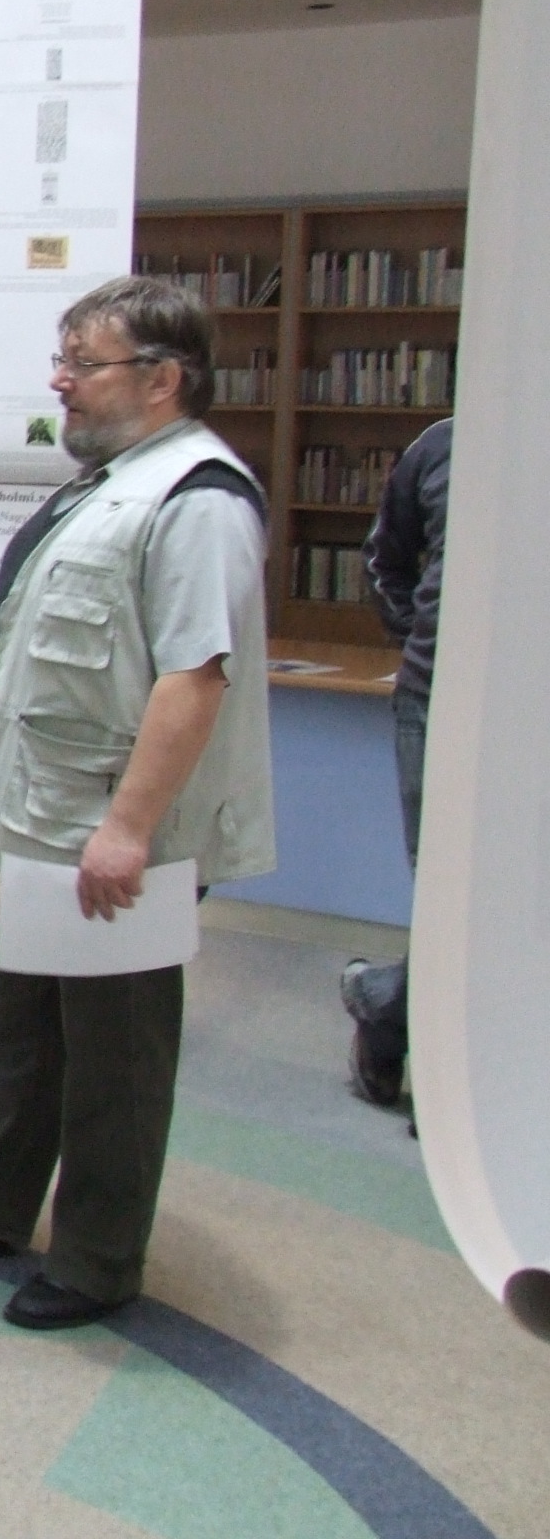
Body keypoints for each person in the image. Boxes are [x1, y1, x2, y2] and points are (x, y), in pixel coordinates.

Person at [0, 277, 275, 1330]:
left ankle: (95, 1259)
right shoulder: (114, 485)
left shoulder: (199, 500)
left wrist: (129, 829)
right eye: (64, 360)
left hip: (116, 837)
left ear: (163, 379)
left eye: (84, 364)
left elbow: (196, 678)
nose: (60, 382)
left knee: (115, 1057)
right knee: (26, 1024)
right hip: (55, 820)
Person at [348, 415, 449, 1111]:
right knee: (445, 885)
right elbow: (386, 558)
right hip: (435, 697)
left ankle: (384, 1009)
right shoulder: (441, 445)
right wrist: (426, 639)